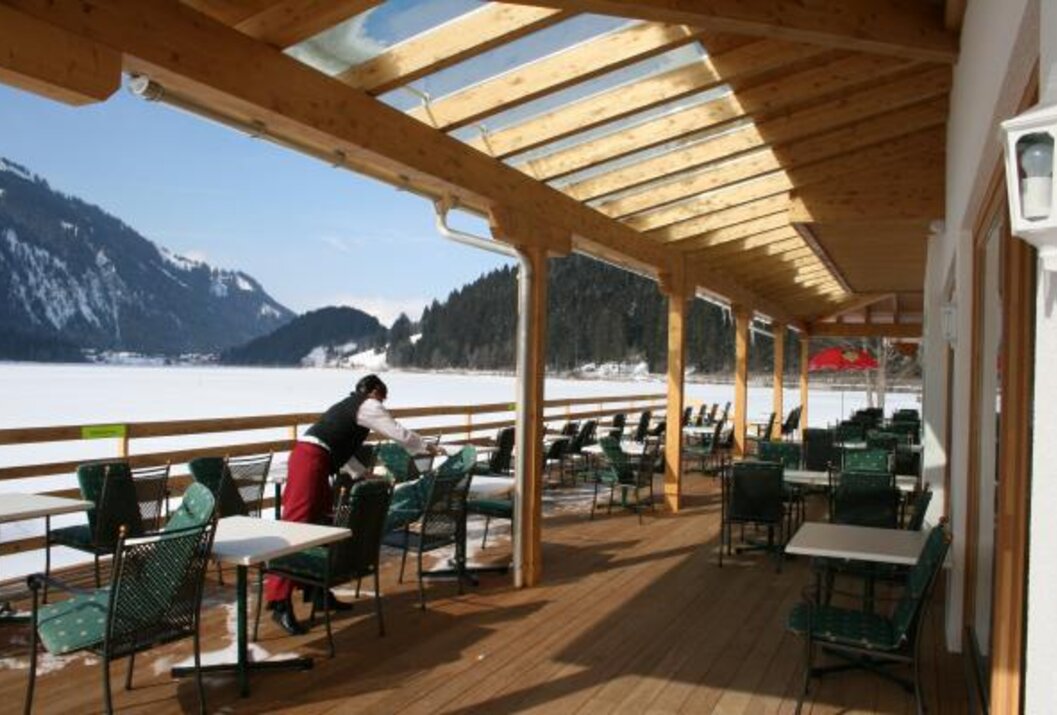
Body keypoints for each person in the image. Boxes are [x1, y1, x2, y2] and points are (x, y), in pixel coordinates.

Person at [265, 374, 442, 635]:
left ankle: (318, 592)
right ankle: (279, 602)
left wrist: (361, 473)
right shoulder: (368, 405)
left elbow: (340, 448)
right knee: (297, 526)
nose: (383, 403)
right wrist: (426, 446)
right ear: (372, 391)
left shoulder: (352, 409)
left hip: (318, 460)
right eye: (382, 396)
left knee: (322, 524)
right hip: (309, 459)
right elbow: (398, 433)